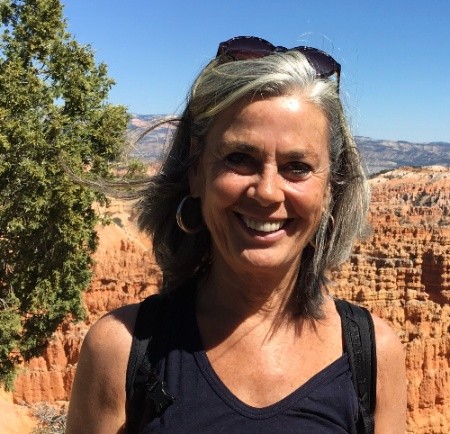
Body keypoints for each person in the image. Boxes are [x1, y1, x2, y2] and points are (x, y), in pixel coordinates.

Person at [66, 36, 406, 433]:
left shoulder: (374, 356)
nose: (267, 191)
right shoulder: (120, 350)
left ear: (330, 188)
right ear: (196, 172)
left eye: (297, 166)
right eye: (239, 158)